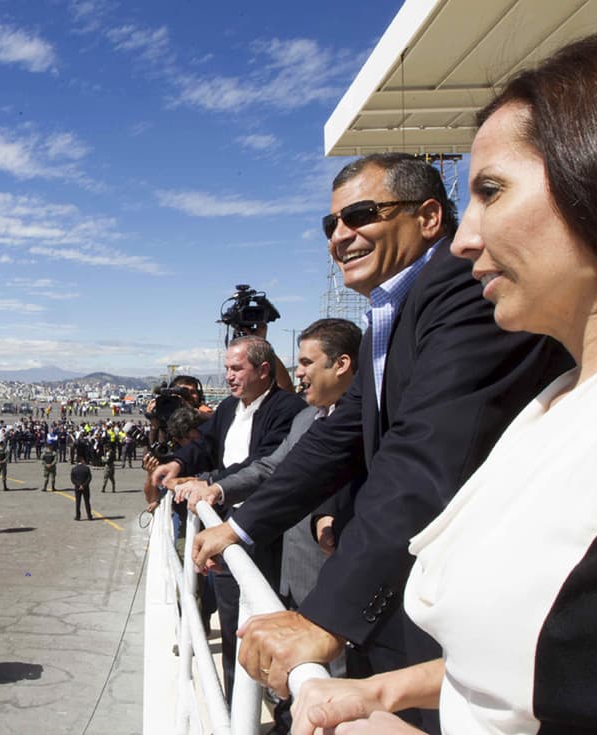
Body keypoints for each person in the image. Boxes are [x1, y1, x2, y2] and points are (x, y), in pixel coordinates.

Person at [286, 30, 597, 735]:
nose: (466, 240)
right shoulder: (553, 405)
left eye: (493, 191)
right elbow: (549, 661)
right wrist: (381, 696)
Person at [192, 152, 570, 729]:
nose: (340, 236)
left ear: (427, 218)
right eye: (331, 224)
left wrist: (325, 619)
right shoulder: (393, 311)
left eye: (361, 215)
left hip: (479, 603)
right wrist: (239, 525)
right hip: (415, 599)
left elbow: (425, 455)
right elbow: (336, 438)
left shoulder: (466, 293)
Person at [151, 336, 307, 699]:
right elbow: (203, 444)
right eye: (226, 369)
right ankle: (235, 701)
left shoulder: (286, 409)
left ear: (263, 370)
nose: (229, 377)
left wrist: (209, 482)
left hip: (266, 532)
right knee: (232, 617)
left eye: (237, 368)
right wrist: (177, 462)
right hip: (224, 528)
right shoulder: (228, 408)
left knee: (267, 621)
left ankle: (276, 702)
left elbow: (264, 464)